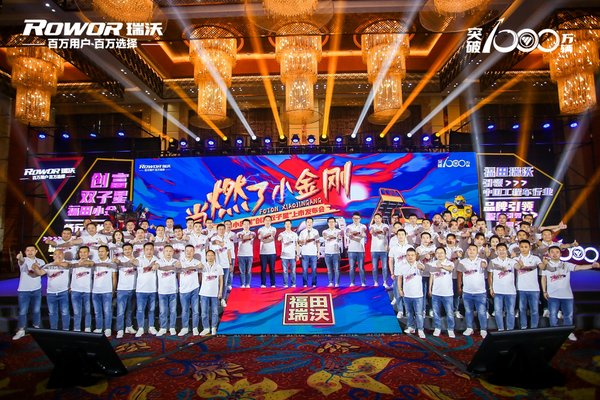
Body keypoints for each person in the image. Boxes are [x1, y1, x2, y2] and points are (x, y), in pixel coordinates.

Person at [541, 246, 600, 341]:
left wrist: (591, 266)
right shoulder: (545, 265)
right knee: (553, 315)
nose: (555, 254)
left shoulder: (566, 264)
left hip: (567, 295)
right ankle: (555, 333)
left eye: (557, 252)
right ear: (549, 254)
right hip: (552, 295)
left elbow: (579, 267)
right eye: (552, 252)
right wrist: (544, 291)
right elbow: (543, 278)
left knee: (568, 315)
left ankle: (568, 333)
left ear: (560, 254)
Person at [13, 246, 46, 340]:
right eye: (28, 250)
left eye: (32, 250)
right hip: (23, 291)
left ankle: (36, 327)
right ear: (25, 252)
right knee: (23, 311)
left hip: (36, 290)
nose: (30, 252)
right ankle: (21, 330)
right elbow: (21, 262)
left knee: (36, 310)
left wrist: (35, 267)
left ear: (36, 251)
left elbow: (39, 273)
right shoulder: (24, 260)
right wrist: (20, 258)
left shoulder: (41, 261)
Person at [457, 244, 488, 338]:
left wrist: (484, 264)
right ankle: (469, 328)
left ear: (477, 252)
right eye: (470, 249)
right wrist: (459, 287)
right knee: (468, 311)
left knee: (481, 312)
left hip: (480, 292)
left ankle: (483, 329)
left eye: (474, 250)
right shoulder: (462, 262)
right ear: (467, 251)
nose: (471, 251)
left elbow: (485, 265)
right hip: (467, 292)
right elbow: (459, 275)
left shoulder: (481, 260)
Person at [396, 248, 426, 339]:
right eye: (408, 255)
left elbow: (423, 268)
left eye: (412, 255)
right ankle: (411, 327)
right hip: (407, 294)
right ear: (406, 256)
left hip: (418, 295)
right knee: (409, 313)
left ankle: (420, 329)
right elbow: (399, 278)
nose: (410, 257)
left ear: (415, 256)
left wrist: (420, 267)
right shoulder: (402, 266)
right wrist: (400, 290)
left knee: (418, 314)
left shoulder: (419, 265)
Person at [514, 240, 543, 329]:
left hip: (534, 289)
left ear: (530, 247)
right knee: (522, 309)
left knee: (534, 310)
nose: (523, 249)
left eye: (526, 247)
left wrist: (545, 263)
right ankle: (524, 327)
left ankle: (534, 328)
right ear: (519, 247)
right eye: (522, 247)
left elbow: (542, 266)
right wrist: (520, 265)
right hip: (521, 288)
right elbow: (516, 267)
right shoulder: (515, 259)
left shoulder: (535, 258)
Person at [39, 248, 71, 331]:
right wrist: (35, 267)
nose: (58, 255)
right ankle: (54, 330)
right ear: (53, 256)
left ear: (63, 255)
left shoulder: (67, 263)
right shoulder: (48, 266)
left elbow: (66, 265)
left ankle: (66, 330)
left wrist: (57, 262)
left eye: (60, 254)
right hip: (51, 293)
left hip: (63, 292)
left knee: (65, 312)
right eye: (55, 254)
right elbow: (40, 273)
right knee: (52, 313)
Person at [488, 243, 517, 331]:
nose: (501, 251)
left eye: (503, 249)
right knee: (498, 311)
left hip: (510, 291)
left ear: (507, 251)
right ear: (496, 252)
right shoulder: (492, 261)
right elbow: (490, 276)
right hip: (497, 290)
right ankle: (500, 329)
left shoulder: (512, 261)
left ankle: (510, 329)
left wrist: (516, 259)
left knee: (510, 311)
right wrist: (491, 288)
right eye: (499, 250)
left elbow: (519, 267)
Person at [428, 247, 456, 338]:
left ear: (445, 254)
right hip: (436, 293)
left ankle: (450, 329)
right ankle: (437, 328)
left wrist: (442, 266)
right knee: (436, 312)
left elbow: (451, 269)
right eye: (437, 253)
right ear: (435, 254)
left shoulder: (449, 263)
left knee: (449, 312)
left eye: (441, 253)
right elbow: (431, 277)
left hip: (447, 293)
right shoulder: (433, 264)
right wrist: (430, 289)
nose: (439, 254)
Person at [114, 243, 138, 338]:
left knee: (130, 310)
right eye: (125, 249)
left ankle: (129, 326)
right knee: (120, 311)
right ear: (123, 251)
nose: (127, 251)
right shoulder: (119, 260)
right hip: (122, 289)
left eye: (129, 249)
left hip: (134, 288)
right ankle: (120, 329)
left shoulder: (136, 260)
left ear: (132, 250)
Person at [92, 245, 117, 337]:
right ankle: (99, 328)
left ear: (107, 252)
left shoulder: (112, 263)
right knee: (97, 311)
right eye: (99, 251)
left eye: (102, 251)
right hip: (95, 291)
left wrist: (113, 290)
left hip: (107, 290)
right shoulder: (94, 263)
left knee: (107, 311)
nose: (100, 253)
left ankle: (108, 329)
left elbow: (114, 277)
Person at [135, 242, 159, 337]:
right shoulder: (139, 259)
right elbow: (134, 262)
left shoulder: (157, 259)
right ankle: (140, 328)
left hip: (153, 289)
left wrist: (156, 265)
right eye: (147, 249)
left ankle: (151, 327)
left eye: (151, 249)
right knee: (140, 310)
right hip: (141, 289)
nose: (149, 251)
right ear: (144, 250)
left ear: (153, 250)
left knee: (152, 309)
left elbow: (158, 266)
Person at [388, 229, 412, 318]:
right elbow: (391, 260)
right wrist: (392, 272)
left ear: (405, 235)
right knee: (397, 294)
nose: (401, 236)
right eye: (399, 234)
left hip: (407, 274)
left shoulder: (410, 247)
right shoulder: (393, 248)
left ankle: (408, 311)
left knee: (407, 294)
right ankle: (400, 311)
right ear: (397, 236)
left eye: (402, 234)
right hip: (397, 274)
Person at [70, 246, 95, 333]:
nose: (82, 254)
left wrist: (82, 263)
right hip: (75, 290)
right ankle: (77, 328)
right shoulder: (74, 262)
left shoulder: (91, 262)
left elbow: (91, 264)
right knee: (76, 312)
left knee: (88, 311)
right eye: (81, 252)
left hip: (87, 290)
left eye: (85, 252)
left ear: (88, 253)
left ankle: (87, 327)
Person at [199, 250, 224, 336]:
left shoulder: (219, 267)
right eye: (208, 255)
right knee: (204, 312)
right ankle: (206, 328)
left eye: (212, 255)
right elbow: (199, 278)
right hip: (204, 293)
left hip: (214, 293)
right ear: (206, 257)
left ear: (214, 256)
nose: (210, 257)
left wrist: (220, 291)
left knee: (215, 312)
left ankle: (214, 327)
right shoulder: (202, 266)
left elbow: (221, 280)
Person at [156, 245, 179, 336]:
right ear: (163, 252)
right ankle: (163, 328)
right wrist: (158, 266)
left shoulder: (176, 261)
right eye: (166, 251)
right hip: (162, 291)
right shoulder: (159, 261)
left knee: (173, 311)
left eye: (170, 251)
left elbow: (178, 267)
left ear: (173, 252)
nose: (168, 253)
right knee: (163, 311)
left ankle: (172, 327)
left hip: (173, 290)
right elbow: (156, 266)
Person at [179, 245, 201, 336]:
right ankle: (185, 328)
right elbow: (178, 274)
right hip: (184, 289)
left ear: (194, 252)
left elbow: (200, 271)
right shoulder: (180, 262)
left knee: (195, 310)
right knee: (185, 310)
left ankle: (195, 327)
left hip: (194, 288)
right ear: (184, 251)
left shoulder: (197, 262)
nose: (189, 252)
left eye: (191, 251)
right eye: (187, 250)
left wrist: (198, 284)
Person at [210, 224, 232, 306]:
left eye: (223, 229)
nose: (221, 231)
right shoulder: (214, 239)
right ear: (217, 230)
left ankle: (223, 299)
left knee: (225, 283)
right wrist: (219, 243)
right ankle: (215, 299)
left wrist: (230, 263)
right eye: (220, 229)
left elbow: (229, 252)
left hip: (226, 265)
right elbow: (213, 244)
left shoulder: (227, 240)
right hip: (217, 265)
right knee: (216, 282)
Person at [346, 212, 367, 286]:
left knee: (361, 267)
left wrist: (355, 233)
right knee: (352, 268)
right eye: (354, 218)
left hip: (360, 250)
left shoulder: (363, 226)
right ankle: (352, 282)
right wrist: (353, 234)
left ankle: (363, 283)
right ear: (352, 219)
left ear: (360, 219)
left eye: (357, 218)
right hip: (351, 250)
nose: (356, 220)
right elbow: (348, 233)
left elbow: (363, 233)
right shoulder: (349, 226)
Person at [298, 217, 320, 287]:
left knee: (314, 269)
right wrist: (304, 241)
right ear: (305, 223)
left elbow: (318, 242)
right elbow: (299, 242)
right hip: (305, 253)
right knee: (305, 270)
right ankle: (305, 283)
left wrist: (318, 252)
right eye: (308, 222)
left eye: (310, 222)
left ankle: (314, 283)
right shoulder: (302, 232)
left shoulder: (315, 231)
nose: (309, 223)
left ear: (312, 223)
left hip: (313, 253)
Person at [370, 213, 390, 287]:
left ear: (381, 218)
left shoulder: (385, 225)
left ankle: (385, 282)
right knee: (374, 267)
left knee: (384, 267)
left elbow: (385, 231)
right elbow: (371, 232)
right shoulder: (372, 226)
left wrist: (380, 231)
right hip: (374, 249)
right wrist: (374, 232)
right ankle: (375, 282)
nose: (377, 219)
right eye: (376, 218)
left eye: (378, 218)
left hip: (383, 249)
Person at [278, 219, 299, 288]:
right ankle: (285, 284)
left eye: (289, 224)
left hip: (292, 255)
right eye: (286, 224)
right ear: (284, 225)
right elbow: (279, 238)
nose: (287, 225)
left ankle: (293, 284)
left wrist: (298, 254)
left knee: (293, 271)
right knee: (285, 271)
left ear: (291, 225)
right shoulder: (282, 234)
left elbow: (297, 245)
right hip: (284, 256)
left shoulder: (294, 234)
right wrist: (280, 237)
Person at [258, 216, 277, 288]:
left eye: (269, 220)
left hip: (272, 252)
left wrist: (264, 239)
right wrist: (266, 237)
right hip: (263, 252)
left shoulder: (273, 228)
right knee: (263, 269)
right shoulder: (261, 229)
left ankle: (273, 283)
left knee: (272, 269)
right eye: (266, 220)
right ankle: (263, 283)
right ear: (264, 221)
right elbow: (260, 237)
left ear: (271, 221)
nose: (267, 221)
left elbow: (272, 237)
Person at [323, 217, 342, 287]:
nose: (331, 223)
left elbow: (339, 238)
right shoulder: (325, 231)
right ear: (328, 223)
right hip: (327, 253)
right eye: (330, 222)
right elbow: (326, 237)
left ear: (335, 223)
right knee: (329, 269)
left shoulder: (339, 231)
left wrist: (333, 237)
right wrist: (334, 237)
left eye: (332, 222)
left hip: (336, 253)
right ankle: (330, 282)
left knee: (337, 269)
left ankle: (337, 283)